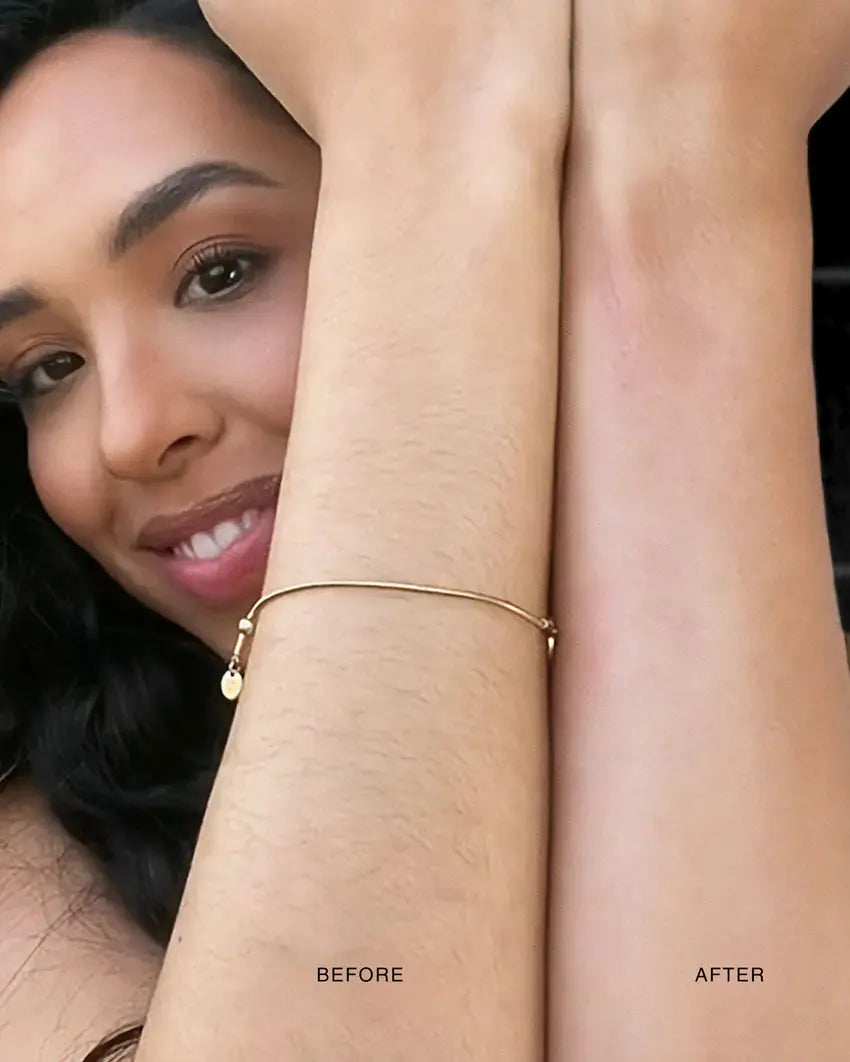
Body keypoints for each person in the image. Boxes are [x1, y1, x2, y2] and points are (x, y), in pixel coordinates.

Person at [2, 3, 850, 1062]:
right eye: (48, 370)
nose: (128, 433)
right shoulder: (41, 893)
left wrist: (675, 151)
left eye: (219, 271)